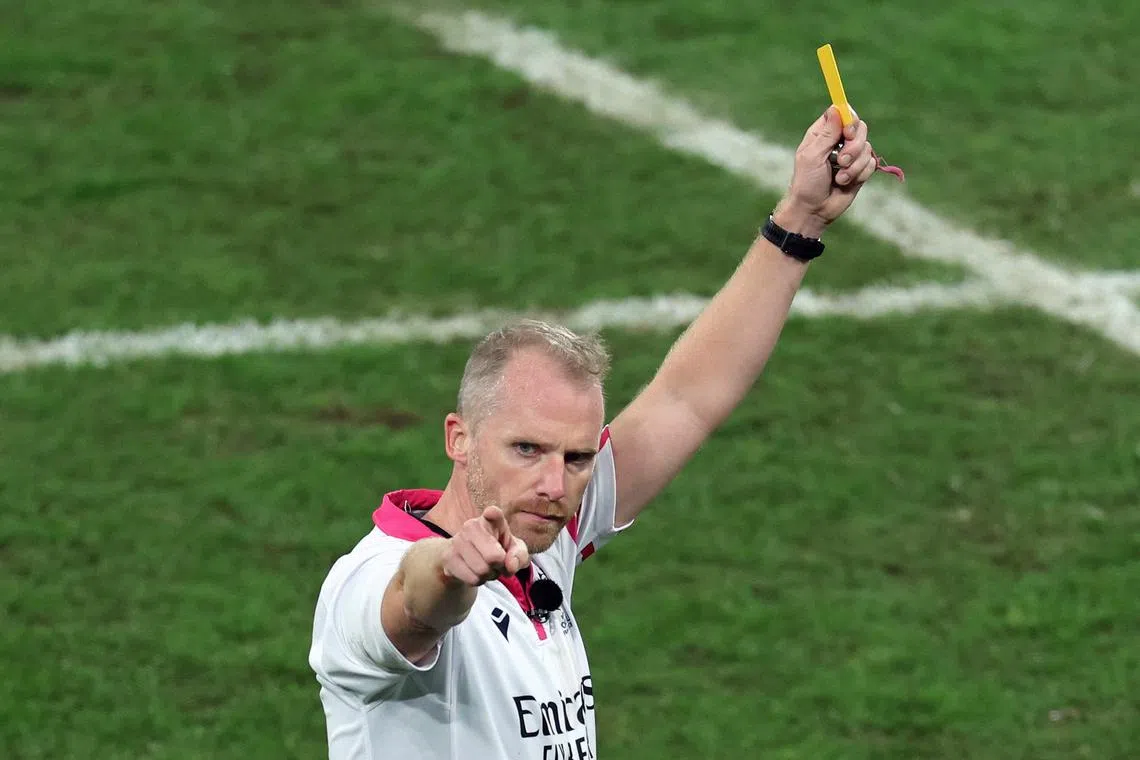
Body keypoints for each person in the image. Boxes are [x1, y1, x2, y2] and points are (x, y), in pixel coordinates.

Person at [309, 105, 887, 759]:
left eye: (578, 456)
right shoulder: (363, 582)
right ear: (458, 438)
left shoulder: (545, 531)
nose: (555, 484)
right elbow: (410, 609)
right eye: (525, 448)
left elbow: (688, 399)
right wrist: (449, 571)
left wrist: (802, 218)